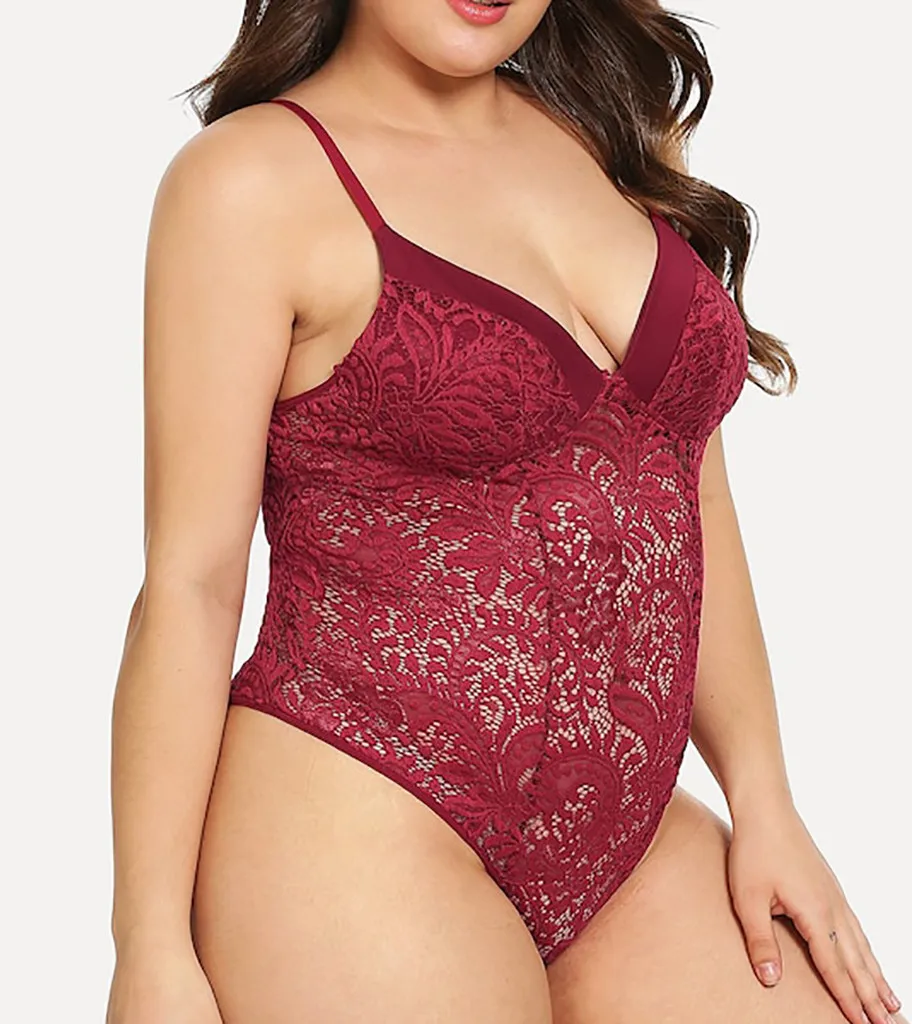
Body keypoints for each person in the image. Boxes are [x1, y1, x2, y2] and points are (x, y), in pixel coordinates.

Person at [105, 2, 904, 1022]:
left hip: (626, 845)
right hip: (354, 816)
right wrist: (148, 945)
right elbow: (191, 583)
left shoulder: (602, 131)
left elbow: (685, 479)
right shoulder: (250, 182)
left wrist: (764, 795)